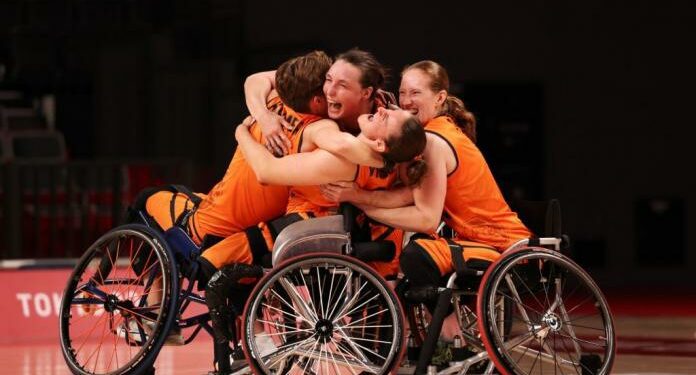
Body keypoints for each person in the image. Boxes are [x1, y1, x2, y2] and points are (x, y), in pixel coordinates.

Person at [320, 60, 531, 301]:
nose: (406, 101)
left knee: (417, 254)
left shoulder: (433, 141)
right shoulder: (432, 132)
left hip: (505, 247)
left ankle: (448, 332)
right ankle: (443, 330)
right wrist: (358, 196)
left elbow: (426, 218)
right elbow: (405, 196)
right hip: (480, 240)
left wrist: (361, 202)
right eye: (402, 92)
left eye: (415, 93)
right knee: (417, 249)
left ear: (440, 97)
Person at [231, 104, 426, 278]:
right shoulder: (392, 160)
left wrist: (241, 132)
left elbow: (265, 172)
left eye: (387, 117)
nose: (383, 109)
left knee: (218, 261)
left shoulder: (342, 160)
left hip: (310, 226)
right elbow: (406, 194)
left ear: (380, 144)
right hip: (328, 227)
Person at [244, 48, 395, 158]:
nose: (329, 91)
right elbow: (255, 79)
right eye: (329, 79)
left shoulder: (390, 118)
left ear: (366, 93)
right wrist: (263, 116)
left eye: (342, 85)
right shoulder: (319, 85)